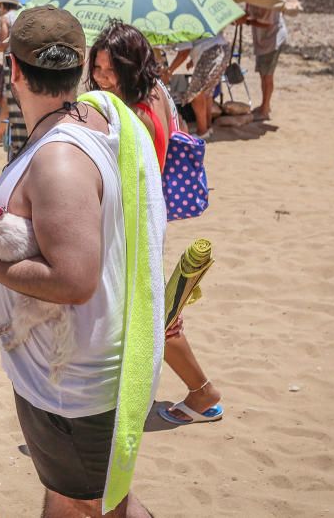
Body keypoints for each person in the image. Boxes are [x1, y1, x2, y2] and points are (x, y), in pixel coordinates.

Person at [0, 6, 155, 517]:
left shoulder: (59, 158)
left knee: (96, 504)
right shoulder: (88, 121)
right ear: (80, 70)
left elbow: (74, 281)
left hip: (73, 385)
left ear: (16, 71)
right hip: (59, 374)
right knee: (70, 497)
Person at [86, 21, 223, 425]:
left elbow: (121, 181)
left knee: (158, 318)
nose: (101, 78)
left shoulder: (132, 115)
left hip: (133, 225)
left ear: (131, 68)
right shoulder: (156, 92)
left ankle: (203, 392)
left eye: (111, 71)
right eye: (97, 68)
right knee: (150, 315)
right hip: (146, 218)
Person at [0, 0, 27, 154]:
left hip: (11, 61)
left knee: (8, 98)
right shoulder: (21, 16)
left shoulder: (5, 18)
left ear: (3, 5)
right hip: (25, 61)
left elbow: (4, 44)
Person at [167, 33, 230, 139]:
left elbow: (184, 52)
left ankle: (202, 131)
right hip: (223, 48)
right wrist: (192, 60)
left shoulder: (181, 24)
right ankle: (207, 126)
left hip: (210, 53)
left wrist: (169, 71)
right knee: (207, 92)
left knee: (195, 94)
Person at [243, 4, 288, 121]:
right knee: (263, 74)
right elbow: (248, 13)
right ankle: (265, 105)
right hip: (263, 39)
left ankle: (265, 109)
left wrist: (247, 21)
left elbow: (268, 22)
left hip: (273, 39)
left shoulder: (270, 1)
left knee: (267, 75)